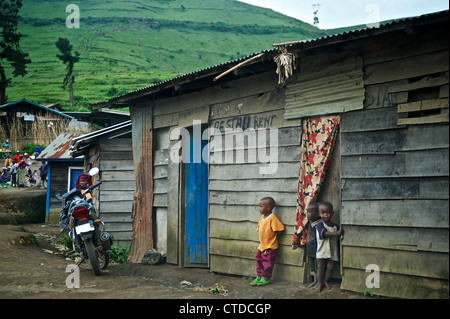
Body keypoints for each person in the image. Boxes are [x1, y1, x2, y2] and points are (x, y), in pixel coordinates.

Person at [250, 196, 284, 286]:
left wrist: (274, 237)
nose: (259, 209)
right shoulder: (262, 218)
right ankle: (259, 275)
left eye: (261, 206)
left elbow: (280, 229)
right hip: (262, 245)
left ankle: (265, 277)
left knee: (267, 262)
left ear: (268, 208)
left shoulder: (272, 218)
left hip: (270, 246)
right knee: (259, 260)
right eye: (259, 206)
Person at [315, 202, 344, 292]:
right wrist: (336, 234)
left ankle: (325, 281)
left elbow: (340, 236)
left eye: (328, 212)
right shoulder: (320, 225)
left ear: (332, 213)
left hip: (332, 250)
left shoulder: (335, 226)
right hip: (322, 250)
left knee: (330, 267)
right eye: (323, 213)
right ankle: (319, 283)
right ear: (319, 214)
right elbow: (324, 234)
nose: (326, 214)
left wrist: (340, 235)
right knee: (320, 267)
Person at [304, 202, 321, 288]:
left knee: (318, 266)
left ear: (318, 214)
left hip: (317, 249)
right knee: (313, 267)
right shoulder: (310, 223)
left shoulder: (320, 224)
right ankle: (315, 280)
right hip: (310, 248)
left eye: (309, 212)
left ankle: (318, 282)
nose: (307, 214)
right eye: (307, 212)